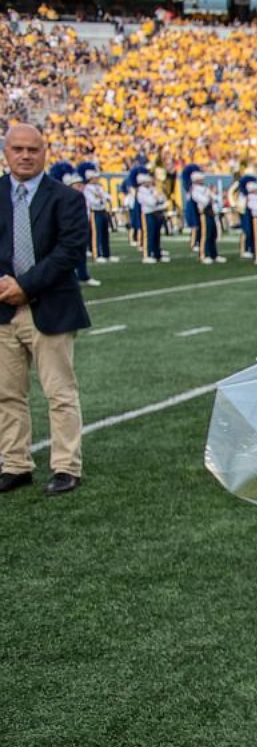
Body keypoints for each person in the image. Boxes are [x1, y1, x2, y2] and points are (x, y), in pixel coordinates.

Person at [0, 123, 91, 496]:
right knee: (7, 393)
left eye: (32, 149)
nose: (25, 155)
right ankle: (15, 463)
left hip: (49, 306)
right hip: (3, 308)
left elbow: (69, 251)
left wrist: (26, 285)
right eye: (17, 149)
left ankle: (66, 465)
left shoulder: (66, 198)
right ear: (6, 153)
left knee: (60, 392)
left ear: (44, 152)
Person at [191, 168, 225, 264]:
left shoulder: (204, 188)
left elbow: (214, 198)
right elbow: (204, 201)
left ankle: (214, 254)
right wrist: (209, 197)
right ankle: (204, 254)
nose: (203, 180)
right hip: (204, 214)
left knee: (213, 234)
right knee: (206, 234)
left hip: (211, 213)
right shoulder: (194, 190)